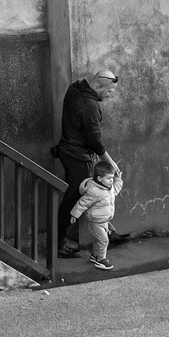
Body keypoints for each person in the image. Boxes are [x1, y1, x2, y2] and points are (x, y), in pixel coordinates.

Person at [55, 68, 118, 257]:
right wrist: (111, 164)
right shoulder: (90, 106)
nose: (109, 96)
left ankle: (107, 231)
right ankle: (57, 244)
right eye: (108, 91)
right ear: (98, 86)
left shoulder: (74, 89)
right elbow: (94, 142)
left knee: (91, 194)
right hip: (77, 157)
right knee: (75, 199)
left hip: (67, 151)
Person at [68, 157, 124, 270]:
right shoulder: (94, 191)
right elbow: (82, 203)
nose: (111, 181)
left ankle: (94, 255)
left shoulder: (110, 188)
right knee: (104, 240)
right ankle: (101, 260)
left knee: (101, 239)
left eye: (112, 178)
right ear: (99, 178)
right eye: (109, 178)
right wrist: (75, 214)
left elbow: (117, 188)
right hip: (95, 221)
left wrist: (118, 178)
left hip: (104, 220)